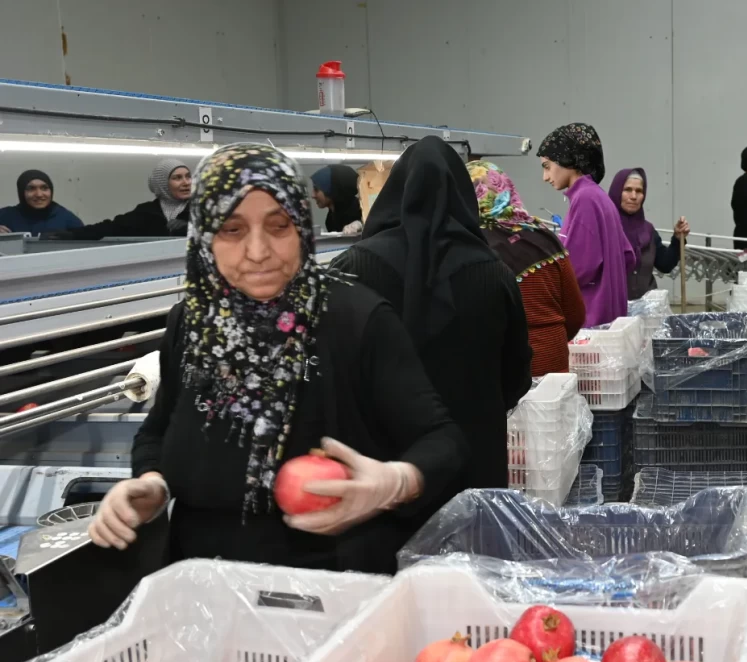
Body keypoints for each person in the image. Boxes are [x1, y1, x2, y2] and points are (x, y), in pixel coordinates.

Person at [85, 143, 464, 574]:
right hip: (202, 577)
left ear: (302, 226)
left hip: (334, 578)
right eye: (232, 229)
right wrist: (150, 483)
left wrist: (398, 481)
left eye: (279, 225)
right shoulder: (191, 324)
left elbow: (442, 439)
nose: (259, 251)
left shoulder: (357, 318)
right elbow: (159, 429)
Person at [331, 137, 532, 497]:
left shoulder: (351, 268)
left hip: (382, 475)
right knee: (474, 552)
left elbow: (334, 376)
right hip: (476, 468)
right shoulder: (494, 273)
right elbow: (517, 377)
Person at [468, 159, 585, 376]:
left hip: (505, 372)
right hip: (554, 364)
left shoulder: (472, 246)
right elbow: (575, 313)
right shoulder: (544, 236)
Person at [537, 122, 635, 327]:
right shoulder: (598, 197)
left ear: (568, 160)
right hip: (609, 319)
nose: (545, 177)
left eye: (547, 166)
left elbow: (577, 268)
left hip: (591, 322)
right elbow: (628, 256)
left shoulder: (585, 199)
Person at [50, 159, 191, 240]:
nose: (186, 182)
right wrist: (72, 234)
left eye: (188, 176)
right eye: (177, 178)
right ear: (162, 183)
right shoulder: (146, 212)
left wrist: (190, 227)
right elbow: (111, 228)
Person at [608, 167, 689, 299]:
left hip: (645, 311)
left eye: (639, 191)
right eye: (627, 190)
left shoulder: (648, 230)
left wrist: (678, 238)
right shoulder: (604, 228)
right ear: (617, 192)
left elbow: (665, 264)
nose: (633, 196)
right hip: (612, 309)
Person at [0, 170, 83, 235]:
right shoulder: (5, 215)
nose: (39, 194)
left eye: (44, 188)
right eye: (31, 188)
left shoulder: (67, 219)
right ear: (21, 192)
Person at [311, 164, 364, 234]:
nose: (312, 195)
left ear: (331, 190)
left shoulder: (361, 209)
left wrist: (360, 225)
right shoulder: (330, 220)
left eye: (316, 190)